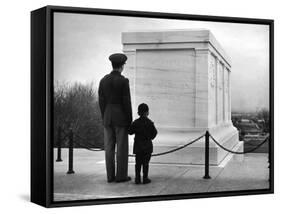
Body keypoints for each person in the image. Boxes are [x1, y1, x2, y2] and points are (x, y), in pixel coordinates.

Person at [98, 53, 132, 183]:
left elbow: (101, 102)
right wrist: (129, 121)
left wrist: (104, 116)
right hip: (120, 118)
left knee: (109, 148)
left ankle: (110, 176)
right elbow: (126, 103)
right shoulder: (123, 81)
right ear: (122, 66)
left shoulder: (103, 80)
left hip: (107, 117)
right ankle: (121, 176)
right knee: (122, 149)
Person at [128, 103, 158, 184]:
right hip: (147, 146)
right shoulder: (150, 123)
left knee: (138, 163)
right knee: (145, 163)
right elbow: (154, 133)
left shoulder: (136, 123)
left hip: (138, 146)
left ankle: (137, 178)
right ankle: (145, 178)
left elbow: (130, 132)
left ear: (138, 113)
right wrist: (150, 138)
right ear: (147, 112)